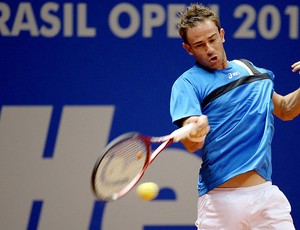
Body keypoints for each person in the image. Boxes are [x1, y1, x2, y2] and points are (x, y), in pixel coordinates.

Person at [170, 3, 300, 230]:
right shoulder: (187, 83)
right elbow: (192, 143)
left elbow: (286, 110)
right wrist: (196, 129)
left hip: (266, 197)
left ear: (222, 35)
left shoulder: (250, 70)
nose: (209, 49)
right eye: (199, 45)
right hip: (220, 202)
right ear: (188, 49)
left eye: (212, 39)